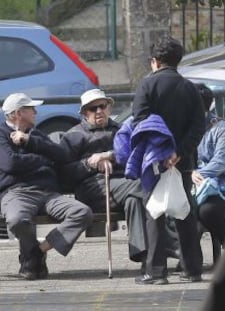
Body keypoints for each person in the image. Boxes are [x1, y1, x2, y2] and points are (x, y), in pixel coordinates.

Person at [131, 34, 205, 285]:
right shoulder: (189, 88)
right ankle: (192, 268)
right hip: (182, 161)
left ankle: (156, 271)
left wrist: (161, 152)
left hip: (153, 159)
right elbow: (198, 125)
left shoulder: (146, 86)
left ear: (155, 61)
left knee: (154, 213)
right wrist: (179, 152)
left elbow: (140, 121)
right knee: (184, 212)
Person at [0, 93, 93, 280]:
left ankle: (35, 253)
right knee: (17, 219)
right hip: (17, 192)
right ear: (18, 113)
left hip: (49, 193)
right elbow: (10, 164)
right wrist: (42, 159)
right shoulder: (1, 133)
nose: (36, 111)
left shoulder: (36, 134)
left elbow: (62, 155)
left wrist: (29, 141)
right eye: (31, 108)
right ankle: (33, 259)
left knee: (82, 213)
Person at [59, 88, 148, 265]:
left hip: (124, 184)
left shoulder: (121, 130)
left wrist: (110, 155)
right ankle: (173, 244)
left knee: (134, 200)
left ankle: (144, 256)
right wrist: (90, 164)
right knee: (145, 185)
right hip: (93, 189)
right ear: (85, 113)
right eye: (93, 108)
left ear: (108, 108)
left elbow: (135, 155)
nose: (99, 111)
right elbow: (63, 174)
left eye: (102, 106)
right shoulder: (73, 136)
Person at [192, 83, 225, 252]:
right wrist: (189, 173)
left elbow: (220, 163)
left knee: (207, 211)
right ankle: (189, 258)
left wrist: (197, 173)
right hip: (191, 188)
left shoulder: (221, 128)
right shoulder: (185, 128)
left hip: (223, 189)